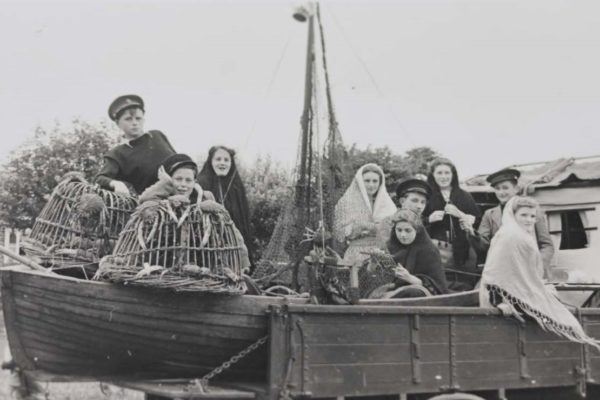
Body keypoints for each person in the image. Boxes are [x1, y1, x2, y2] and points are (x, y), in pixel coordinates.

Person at [480, 196, 599, 349]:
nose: (529, 220)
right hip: (504, 298)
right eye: (523, 215)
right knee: (559, 315)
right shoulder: (510, 236)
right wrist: (502, 301)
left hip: (516, 293)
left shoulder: (519, 235)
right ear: (513, 215)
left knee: (557, 308)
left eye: (532, 216)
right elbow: (496, 272)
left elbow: (525, 273)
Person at [464, 168, 554, 275]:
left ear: (516, 189)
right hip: (503, 271)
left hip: (531, 270)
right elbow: (484, 245)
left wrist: (538, 264)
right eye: (498, 189)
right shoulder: (490, 214)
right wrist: (471, 232)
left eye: (505, 188)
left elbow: (547, 245)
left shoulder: (531, 210)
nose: (501, 192)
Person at [95, 95, 176, 195]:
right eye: (128, 119)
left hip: (182, 194)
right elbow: (100, 178)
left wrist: (194, 181)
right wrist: (115, 184)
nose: (135, 123)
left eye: (138, 118)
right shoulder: (116, 154)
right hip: (150, 204)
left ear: (143, 119)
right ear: (117, 123)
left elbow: (180, 162)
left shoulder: (158, 136)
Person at [333, 163, 396, 266]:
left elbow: (395, 229)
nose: (371, 185)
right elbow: (339, 233)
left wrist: (382, 227)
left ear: (380, 183)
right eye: (367, 181)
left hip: (382, 253)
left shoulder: (386, 204)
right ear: (360, 182)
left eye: (375, 181)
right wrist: (361, 226)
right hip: (357, 253)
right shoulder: (347, 202)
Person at [197, 146, 254, 259]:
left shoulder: (236, 186)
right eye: (218, 159)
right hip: (208, 242)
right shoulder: (201, 183)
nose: (222, 163)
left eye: (226, 160)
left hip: (234, 243)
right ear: (211, 162)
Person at [424, 158, 481, 268]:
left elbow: (478, 221)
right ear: (433, 175)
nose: (443, 176)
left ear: (453, 175)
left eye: (447, 173)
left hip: (462, 252)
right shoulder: (426, 196)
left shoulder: (465, 196)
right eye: (439, 173)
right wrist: (429, 219)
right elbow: (414, 221)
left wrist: (460, 214)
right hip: (433, 251)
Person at [385, 209, 449, 296]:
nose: (403, 235)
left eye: (408, 231)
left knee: (413, 293)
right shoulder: (389, 247)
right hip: (388, 291)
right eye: (399, 230)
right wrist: (372, 265)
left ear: (417, 230)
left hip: (418, 296)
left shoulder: (429, 251)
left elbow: (438, 287)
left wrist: (409, 278)